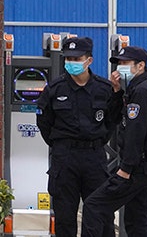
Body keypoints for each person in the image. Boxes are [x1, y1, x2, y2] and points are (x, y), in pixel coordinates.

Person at [35, 37, 123, 237]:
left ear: (89, 60)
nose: (71, 62)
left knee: (100, 214)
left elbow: (111, 120)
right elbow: (44, 123)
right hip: (65, 158)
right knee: (65, 215)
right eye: (68, 58)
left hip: (94, 157)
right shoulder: (55, 89)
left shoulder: (104, 88)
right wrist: (60, 145)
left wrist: (97, 140)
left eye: (77, 58)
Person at [81, 45, 147, 237]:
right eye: (118, 63)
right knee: (138, 218)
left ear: (140, 65)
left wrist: (126, 168)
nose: (120, 68)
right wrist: (117, 91)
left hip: (136, 166)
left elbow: (136, 133)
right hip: (145, 164)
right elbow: (116, 118)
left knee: (94, 206)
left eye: (125, 63)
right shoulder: (139, 88)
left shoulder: (142, 91)